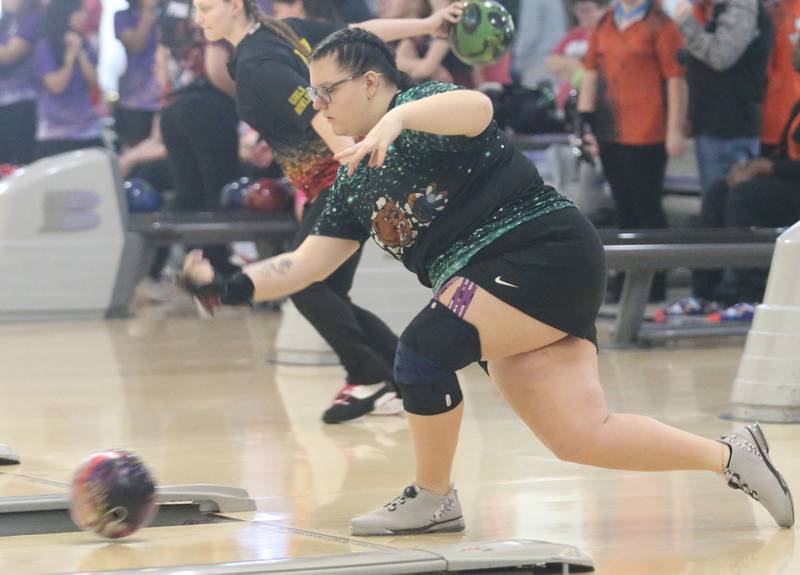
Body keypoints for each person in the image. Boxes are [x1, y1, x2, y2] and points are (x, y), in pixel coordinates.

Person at [182, 27, 794, 535]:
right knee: (582, 435)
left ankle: (433, 496)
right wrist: (229, 286)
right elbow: (308, 265)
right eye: (312, 96)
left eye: (327, 91)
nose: (319, 107)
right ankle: (731, 455)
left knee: (422, 352)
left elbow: (478, 110)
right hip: (497, 285)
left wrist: (398, 121)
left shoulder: (425, 106)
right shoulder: (349, 185)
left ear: (370, 81)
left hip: (542, 252)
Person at [192, 0, 463, 423]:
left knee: (308, 285)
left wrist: (354, 168)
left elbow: (316, 113)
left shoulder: (260, 62)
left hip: (336, 179)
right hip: (337, 175)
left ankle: (371, 375)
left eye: (206, 7)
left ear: (234, 5)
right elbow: (359, 34)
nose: (199, 17)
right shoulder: (278, 34)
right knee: (324, 290)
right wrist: (429, 23)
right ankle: (407, 375)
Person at [577, 0, 687, 301]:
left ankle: (656, 279)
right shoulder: (604, 24)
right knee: (623, 207)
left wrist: (674, 129)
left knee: (647, 206)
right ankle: (627, 277)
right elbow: (590, 71)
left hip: (648, 130)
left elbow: (676, 80)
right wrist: (584, 119)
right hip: (610, 128)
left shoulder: (661, 25)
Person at [662, 0, 773, 196]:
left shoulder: (743, 6)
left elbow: (721, 56)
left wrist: (686, 22)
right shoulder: (720, 9)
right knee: (714, 203)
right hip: (713, 124)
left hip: (730, 129)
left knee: (725, 207)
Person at [33, 0, 103, 159]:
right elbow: (56, 86)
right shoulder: (45, 46)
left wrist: (80, 53)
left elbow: (94, 81)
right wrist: (69, 58)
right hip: (55, 134)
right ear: (65, 13)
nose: (85, 17)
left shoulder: (83, 42)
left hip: (88, 131)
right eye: (80, 12)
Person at [114, 0, 162, 148]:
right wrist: (147, 12)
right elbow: (136, 45)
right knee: (136, 151)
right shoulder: (122, 16)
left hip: (164, 96)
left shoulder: (166, 11)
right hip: (135, 101)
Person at [0, 0, 42, 166]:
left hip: (25, 104)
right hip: (3, 105)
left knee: (23, 162)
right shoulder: (5, 22)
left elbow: (10, 55)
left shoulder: (34, 18)